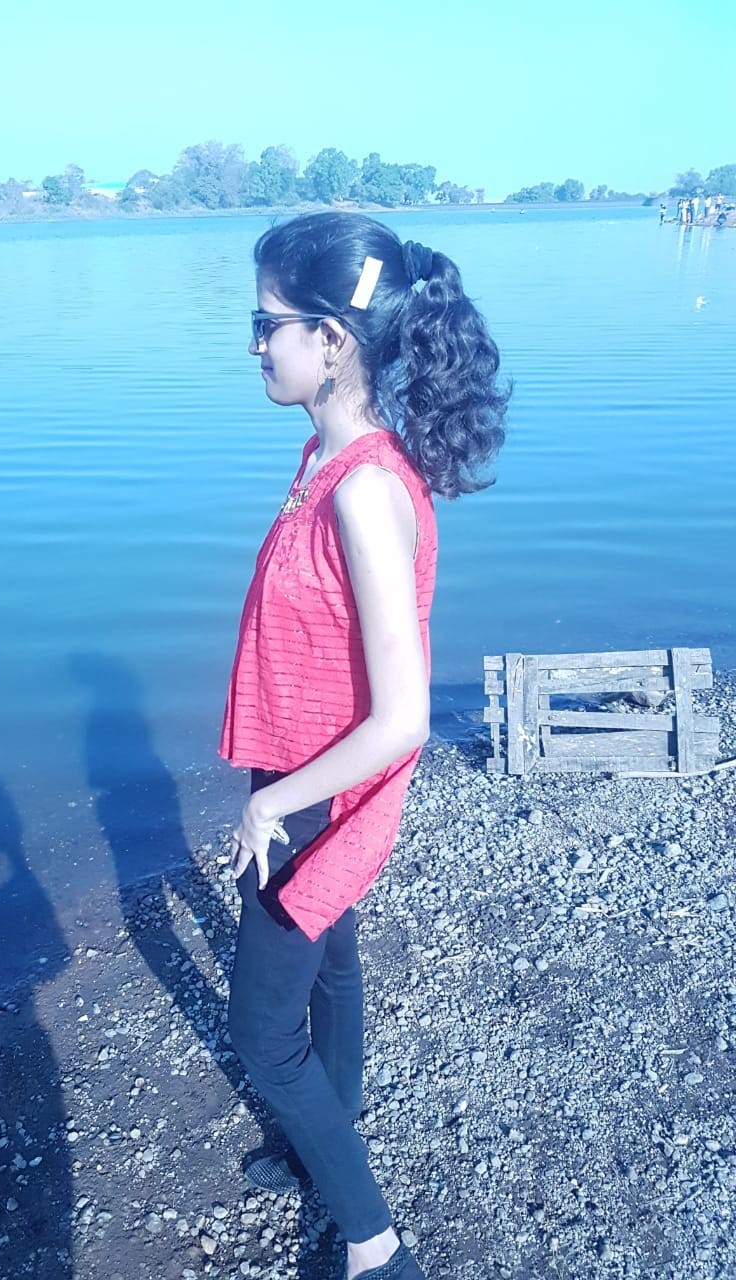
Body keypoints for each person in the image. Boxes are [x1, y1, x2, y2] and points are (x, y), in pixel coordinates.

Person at [219, 212, 510, 1280]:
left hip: (317, 792)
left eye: (270, 323)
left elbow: (405, 717)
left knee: (262, 1034)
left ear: (333, 339)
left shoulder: (368, 490)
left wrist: (269, 801)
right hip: (302, 769)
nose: (255, 343)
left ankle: (376, 1245)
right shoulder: (326, 454)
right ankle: (327, 1131)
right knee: (330, 961)